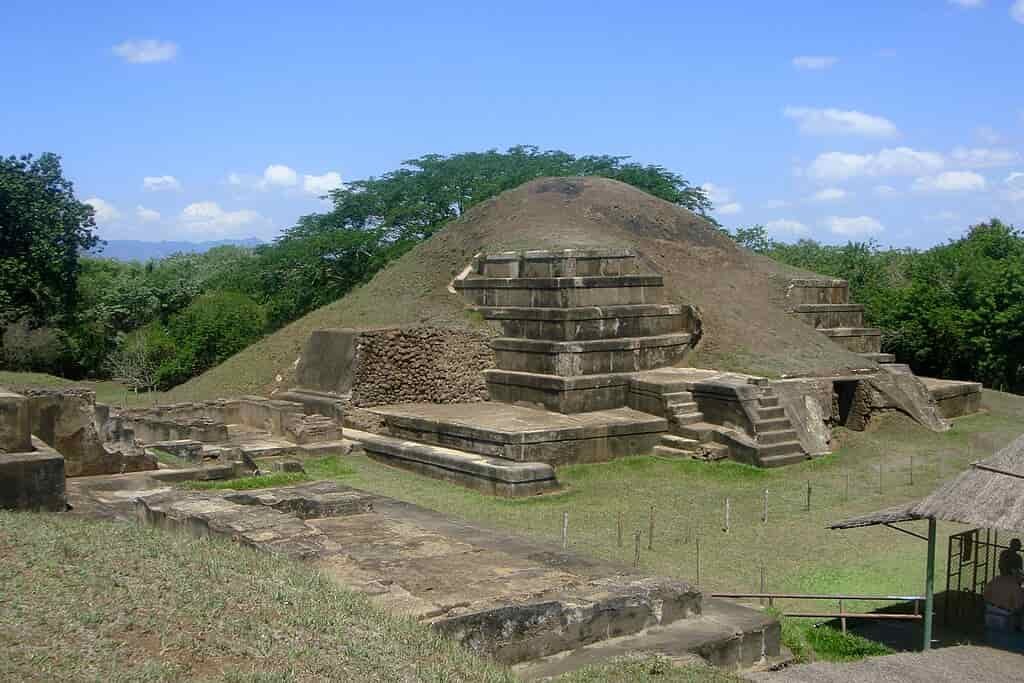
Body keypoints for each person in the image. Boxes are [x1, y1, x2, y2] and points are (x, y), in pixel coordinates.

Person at [984, 565, 1024, 652]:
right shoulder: (1016, 587)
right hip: (1004, 614)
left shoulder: (996, 579)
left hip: (989, 610)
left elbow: (986, 593)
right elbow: (1018, 606)